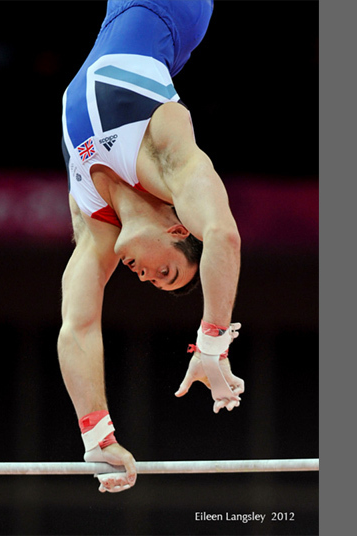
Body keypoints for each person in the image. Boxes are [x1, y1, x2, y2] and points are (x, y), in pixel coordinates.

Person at [58, 0, 244, 493]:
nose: (144, 279)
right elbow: (224, 234)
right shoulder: (171, 158)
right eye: (167, 274)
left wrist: (97, 435)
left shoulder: (93, 222)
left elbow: (77, 327)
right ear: (180, 231)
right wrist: (212, 342)